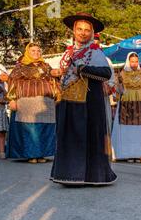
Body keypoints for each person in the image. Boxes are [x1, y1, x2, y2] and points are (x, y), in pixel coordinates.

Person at [50, 12, 117, 185]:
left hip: (89, 103)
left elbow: (106, 73)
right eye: (79, 29)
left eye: (87, 30)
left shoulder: (96, 52)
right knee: (69, 136)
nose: (83, 33)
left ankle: (89, 176)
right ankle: (68, 175)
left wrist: (84, 69)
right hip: (68, 101)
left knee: (87, 136)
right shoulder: (68, 53)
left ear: (92, 33)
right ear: (73, 31)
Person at [6, 43, 60, 163]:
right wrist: (12, 99)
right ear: (27, 52)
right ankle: (31, 155)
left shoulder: (46, 66)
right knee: (31, 129)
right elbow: (12, 82)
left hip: (45, 102)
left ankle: (41, 154)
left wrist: (56, 77)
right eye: (33, 51)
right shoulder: (20, 66)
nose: (36, 53)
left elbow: (54, 81)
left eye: (38, 51)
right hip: (27, 103)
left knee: (44, 128)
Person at [111, 52, 141, 163]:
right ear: (128, 61)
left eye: (136, 61)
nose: (134, 64)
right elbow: (119, 92)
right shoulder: (123, 73)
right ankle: (128, 154)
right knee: (127, 130)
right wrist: (119, 85)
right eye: (132, 61)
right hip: (127, 104)